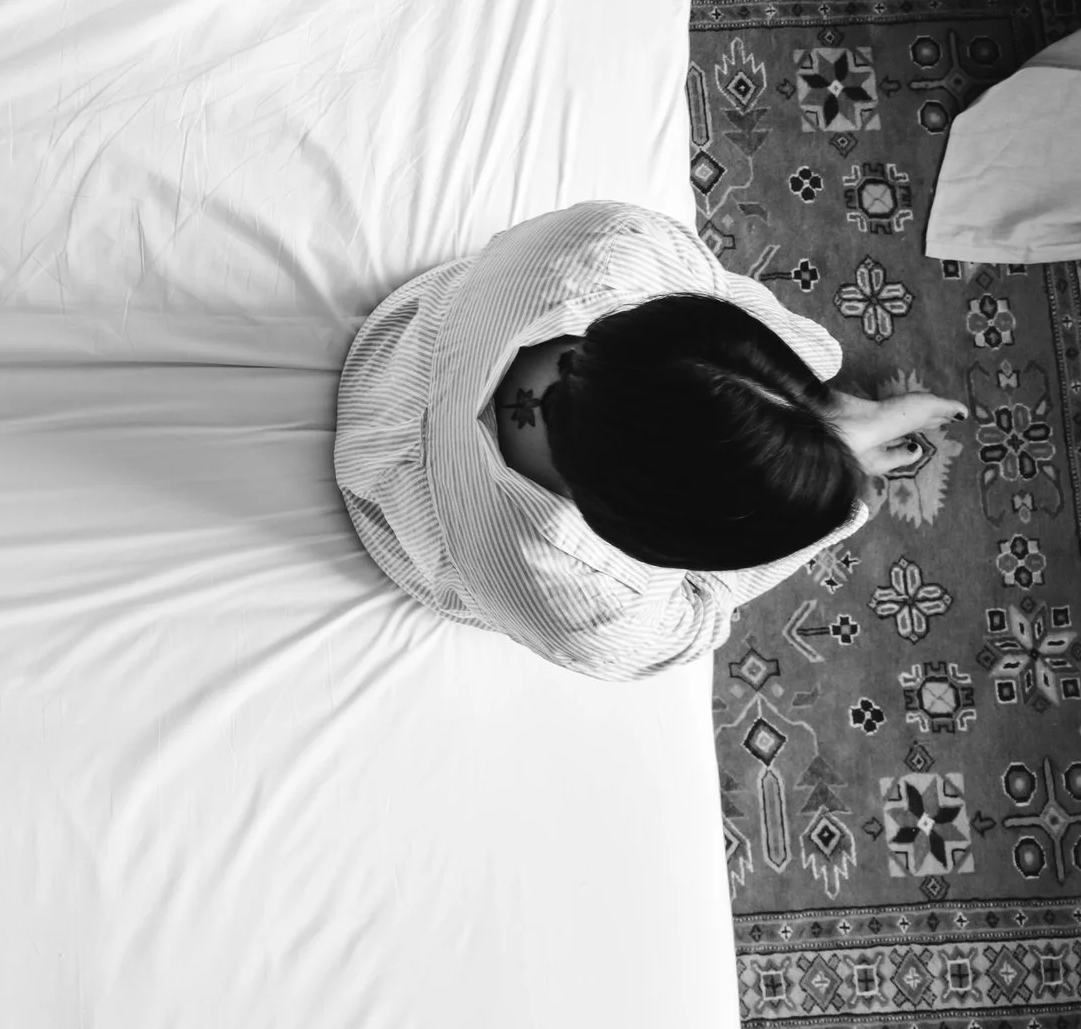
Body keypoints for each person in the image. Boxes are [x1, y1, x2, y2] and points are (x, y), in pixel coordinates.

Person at [334, 199, 961, 680]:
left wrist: (809, 422)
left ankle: (826, 424)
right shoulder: (585, 598)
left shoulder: (610, 246)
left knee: (812, 376)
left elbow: (712, 306)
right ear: (648, 542)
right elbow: (697, 620)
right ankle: (833, 430)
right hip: (411, 513)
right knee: (822, 409)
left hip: (414, 343)